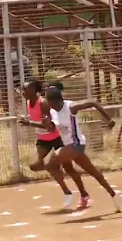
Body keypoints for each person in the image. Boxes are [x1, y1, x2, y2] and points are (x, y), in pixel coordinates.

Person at [37, 84, 122, 211]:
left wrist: (109, 119)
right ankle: (112, 196)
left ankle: (68, 192)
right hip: (68, 147)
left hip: (77, 145)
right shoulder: (53, 112)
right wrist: (39, 123)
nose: (46, 103)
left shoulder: (71, 107)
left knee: (50, 164)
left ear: (54, 101)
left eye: (47, 100)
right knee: (94, 173)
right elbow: (53, 129)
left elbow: (93, 103)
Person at [20, 80, 90, 210]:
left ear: (34, 90)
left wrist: (30, 123)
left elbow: (51, 127)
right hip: (43, 139)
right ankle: (66, 188)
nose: (23, 92)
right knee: (36, 165)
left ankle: (83, 194)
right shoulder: (29, 103)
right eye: (22, 90)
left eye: (26, 90)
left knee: (68, 168)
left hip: (57, 137)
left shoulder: (43, 103)